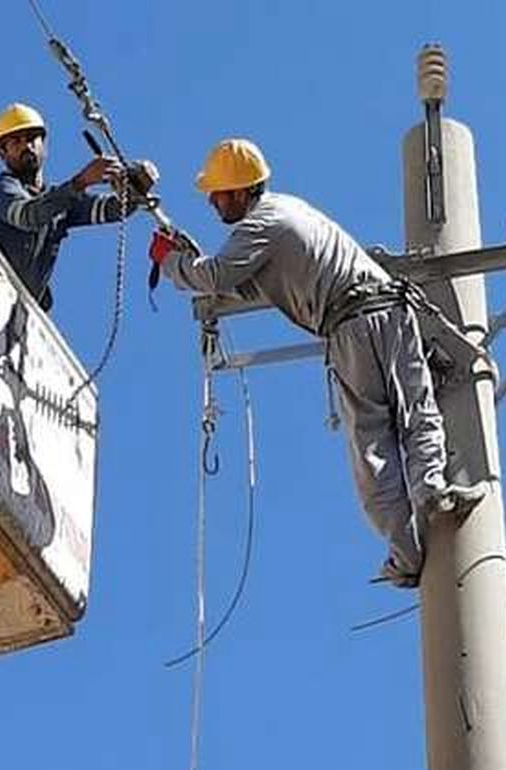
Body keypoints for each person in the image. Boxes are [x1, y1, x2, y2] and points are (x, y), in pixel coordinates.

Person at [148, 138, 484, 588]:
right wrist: (190, 260)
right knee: (416, 412)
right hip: (390, 306)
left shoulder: (261, 225)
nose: (212, 202)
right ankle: (432, 492)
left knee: (372, 440)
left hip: (351, 324)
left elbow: (217, 277)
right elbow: (243, 283)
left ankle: (407, 552)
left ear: (244, 190)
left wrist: (170, 262)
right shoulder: (288, 211)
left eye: (219, 193)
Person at [0, 102, 155, 312]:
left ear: (43, 144)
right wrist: (82, 181)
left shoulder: (58, 201)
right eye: (16, 142)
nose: (26, 146)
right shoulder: (2, 188)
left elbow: (111, 210)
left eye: (31, 138)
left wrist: (134, 188)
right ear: (3, 153)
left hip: (24, 309)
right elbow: (29, 216)